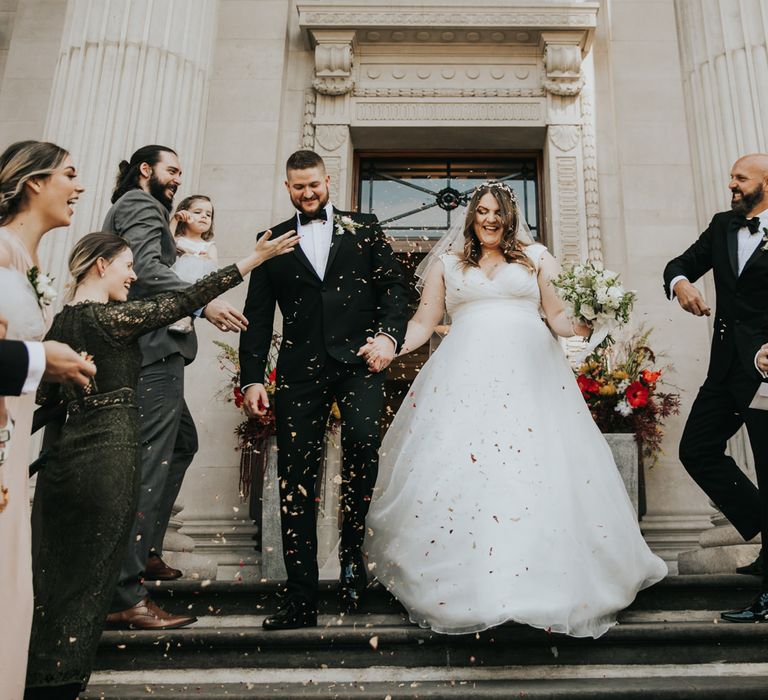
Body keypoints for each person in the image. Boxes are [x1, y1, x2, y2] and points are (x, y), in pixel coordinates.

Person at [363, 182, 667, 638]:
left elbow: (559, 318)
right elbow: (423, 324)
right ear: (471, 216)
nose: (489, 219)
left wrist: (587, 317)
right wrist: (389, 347)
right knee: (466, 470)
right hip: (462, 381)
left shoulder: (538, 257)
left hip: (532, 378)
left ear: (510, 216)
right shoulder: (447, 265)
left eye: (497, 212)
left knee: (534, 467)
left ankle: (544, 584)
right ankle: (466, 585)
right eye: (481, 211)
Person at [24, 228, 298, 700]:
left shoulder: (61, 324)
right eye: (128, 265)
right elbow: (183, 300)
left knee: (57, 574)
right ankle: (61, 682)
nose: (135, 275)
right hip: (109, 455)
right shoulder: (111, 319)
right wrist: (252, 260)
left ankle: (34, 676)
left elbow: (45, 402)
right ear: (101, 265)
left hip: (62, 461)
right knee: (93, 574)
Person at [239, 149, 409, 629]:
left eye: (314, 184)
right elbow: (257, 316)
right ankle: (300, 598)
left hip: (359, 363)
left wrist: (389, 337)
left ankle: (353, 557)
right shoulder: (270, 241)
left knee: (362, 446)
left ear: (328, 180)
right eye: (298, 187)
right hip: (299, 374)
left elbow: (396, 289)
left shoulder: (365, 227)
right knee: (296, 478)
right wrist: (252, 376)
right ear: (287, 187)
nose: (307, 193)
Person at [103, 146, 249, 628]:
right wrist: (200, 305)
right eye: (171, 170)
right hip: (151, 349)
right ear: (146, 170)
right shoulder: (140, 205)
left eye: (181, 173)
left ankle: (143, 552)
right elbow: (145, 270)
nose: (177, 179)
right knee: (151, 461)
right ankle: (125, 594)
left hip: (160, 349)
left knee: (181, 443)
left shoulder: (151, 211)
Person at [0, 139, 92, 700]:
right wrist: (41, 359)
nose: (79, 187)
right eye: (69, 175)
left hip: (11, 448)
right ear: (34, 183)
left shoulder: (30, 263)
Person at [664, 153, 768, 623]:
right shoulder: (724, 225)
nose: (732, 185)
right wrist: (682, 283)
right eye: (731, 177)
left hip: (767, 372)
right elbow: (680, 263)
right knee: (697, 449)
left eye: (740, 178)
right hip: (725, 370)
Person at [168, 194, 218, 334]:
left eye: (208, 215)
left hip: (194, 288)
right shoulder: (177, 240)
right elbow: (166, 243)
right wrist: (175, 220)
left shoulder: (208, 246)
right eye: (198, 212)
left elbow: (213, 268)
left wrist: (204, 257)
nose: (204, 216)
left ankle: (185, 318)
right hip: (173, 286)